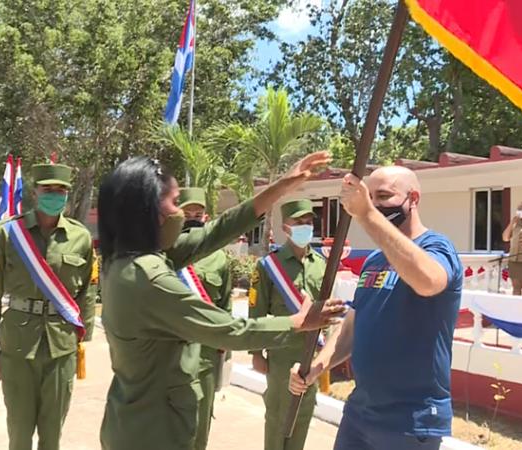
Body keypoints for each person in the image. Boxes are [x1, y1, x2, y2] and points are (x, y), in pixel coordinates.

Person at [97, 153, 347, 450]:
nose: (180, 214)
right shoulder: (148, 278)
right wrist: (298, 323)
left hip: (136, 419)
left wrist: (282, 186)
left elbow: (214, 233)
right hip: (157, 430)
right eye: (175, 203)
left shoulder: (124, 261)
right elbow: (228, 330)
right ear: (149, 211)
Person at [289, 166, 463, 450]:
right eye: (370, 197)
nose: (375, 204)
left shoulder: (437, 247)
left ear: (413, 198)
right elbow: (353, 326)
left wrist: (367, 214)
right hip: (360, 412)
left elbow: (429, 282)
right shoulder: (374, 261)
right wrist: (318, 366)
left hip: (410, 420)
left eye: (383, 196)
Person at [0, 163, 98, 450]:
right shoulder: (6, 234)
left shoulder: (80, 237)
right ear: (34, 192)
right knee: (19, 432)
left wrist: (80, 343)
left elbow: (88, 292)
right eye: (48, 189)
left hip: (61, 346)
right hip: (18, 344)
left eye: (60, 191)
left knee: (52, 432)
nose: (54, 195)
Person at [249, 199, 326, 450]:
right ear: (286, 228)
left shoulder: (321, 265)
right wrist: (256, 353)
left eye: (309, 222)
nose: (305, 226)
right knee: (278, 417)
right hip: (281, 354)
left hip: (311, 354)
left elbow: (327, 312)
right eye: (299, 222)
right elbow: (256, 312)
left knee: (303, 414)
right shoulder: (269, 265)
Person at [178, 187, 233, 450]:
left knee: (200, 429)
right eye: (186, 214)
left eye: (197, 214)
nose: (191, 219)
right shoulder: (162, 250)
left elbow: (224, 307)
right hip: (168, 353)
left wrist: (225, 353)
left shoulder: (219, 258)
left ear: (206, 218)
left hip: (206, 356)